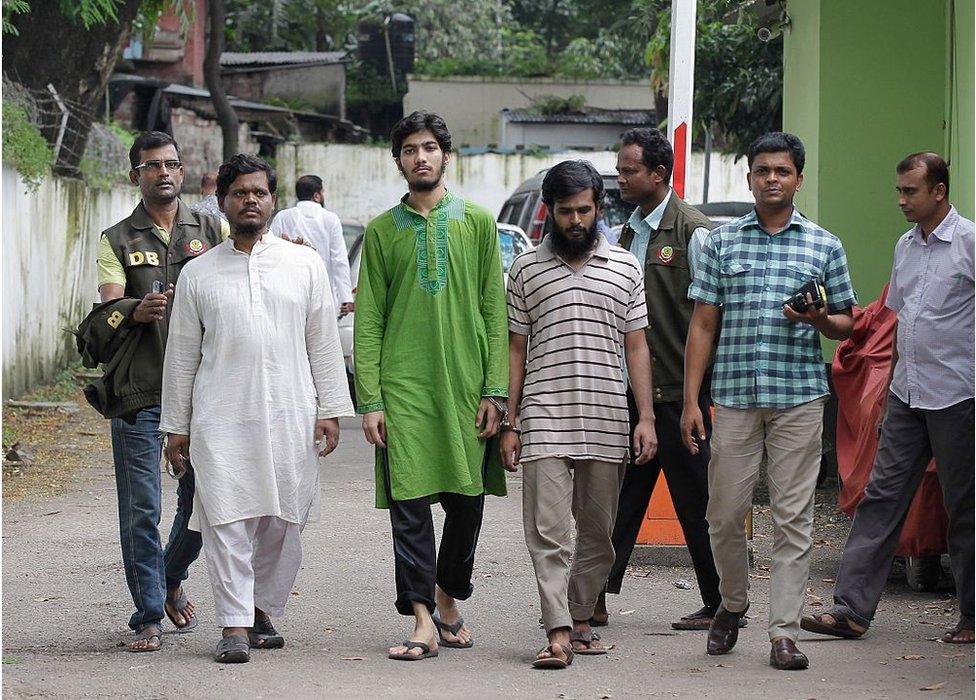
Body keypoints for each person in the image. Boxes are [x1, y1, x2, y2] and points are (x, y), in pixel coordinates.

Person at [160, 154, 354, 663]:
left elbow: (324, 343)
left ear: (273, 201)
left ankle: (262, 607)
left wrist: (331, 408)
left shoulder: (304, 265)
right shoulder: (199, 273)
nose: (250, 200)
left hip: (291, 411)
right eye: (240, 192)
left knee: (283, 519)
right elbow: (181, 356)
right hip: (220, 416)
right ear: (222, 202)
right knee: (225, 519)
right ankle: (233, 625)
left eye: (260, 192)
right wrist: (175, 428)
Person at [681, 132, 857, 670]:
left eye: (782, 171)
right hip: (733, 399)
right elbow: (704, 323)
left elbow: (847, 322)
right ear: (750, 178)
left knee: (793, 518)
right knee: (723, 514)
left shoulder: (824, 245)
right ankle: (733, 603)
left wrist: (818, 318)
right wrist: (692, 400)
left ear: (798, 179)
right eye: (762, 171)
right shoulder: (721, 242)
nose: (772, 179)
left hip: (799, 400)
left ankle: (783, 631)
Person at [353, 111, 509, 661]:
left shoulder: (477, 223)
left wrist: (497, 392)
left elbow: (495, 311)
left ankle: (447, 595)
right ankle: (421, 617)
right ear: (398, 161)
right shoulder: (381, 232)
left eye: (429, 148)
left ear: (447, 155)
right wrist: (369, 400)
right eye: (410, 150)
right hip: (404, 391)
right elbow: (369, 320)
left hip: (468, 388)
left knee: (467, 505)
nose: (420, 157)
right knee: (410, 507)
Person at [802, 152, 974, 645]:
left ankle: (971, 615)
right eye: (899, 190)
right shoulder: (906, 246)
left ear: (938, 191)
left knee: (964, 506)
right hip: (906, 394)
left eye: (910, 191)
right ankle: (851, 610)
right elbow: (899, 322)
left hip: (959, 397)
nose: (901, 200)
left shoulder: (969, 243)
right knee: (881, 496)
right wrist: (887, 390)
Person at [502, 160, 657, 669]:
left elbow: (637, 347)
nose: (575, 220)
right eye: (566, 211)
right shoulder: (525, 269)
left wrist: (646, 417)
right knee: (548, 531)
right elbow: (516, 349)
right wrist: (510, 419)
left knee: (598, 534)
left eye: (584, 210)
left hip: (608, 415)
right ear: (550, 211)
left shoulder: (626, 268)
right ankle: (559, 632)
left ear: (598, 209)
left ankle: (582, 612)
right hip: (543, 417)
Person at [97, 131, 228, 651]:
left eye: (172, 163)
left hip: (204, 390)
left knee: (206, 498)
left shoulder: (210, 227)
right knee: (141, 506)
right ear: (136, 176)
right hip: (140, 388)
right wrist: (133, 309)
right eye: (152, 166)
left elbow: (244, 268)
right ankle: (148, 613)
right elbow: (106, 305)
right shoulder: (116, 239)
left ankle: (170, 575)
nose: (164, 173)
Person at [592, 127, 725, 632]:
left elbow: (712, 317)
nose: (621, 178)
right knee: (620, 497)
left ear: (659, 174)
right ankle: (597, 593)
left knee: (696, 501)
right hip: (631, 391)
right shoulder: (626, 232)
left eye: (630, 170)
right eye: (620, 169)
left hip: (678, 393)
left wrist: (696, 395)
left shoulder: (694, 231)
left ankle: (722, 601)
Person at [269, 175, 354, 317]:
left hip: (288, 294)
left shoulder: (283, 217)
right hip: (323, 296)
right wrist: (346, 298)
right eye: (323, 192)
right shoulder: (331, 219)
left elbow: (269, 251)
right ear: (316, 195)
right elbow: (339, 261)